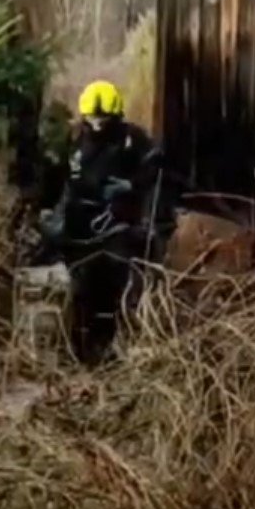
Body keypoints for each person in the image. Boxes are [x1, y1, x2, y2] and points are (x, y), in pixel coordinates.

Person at [42, 80, 166, 363]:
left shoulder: (132, 139)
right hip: (77, 227)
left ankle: (108, 346)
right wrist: (50, 212)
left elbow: (154, 171)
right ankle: (77, 349)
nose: (97, 124)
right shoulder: (73, 139)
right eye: (92, 118)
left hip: (116, 226)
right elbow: (55, 178)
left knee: (112, 287)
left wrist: (130, 187)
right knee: (79, 289)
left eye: (103, 118)